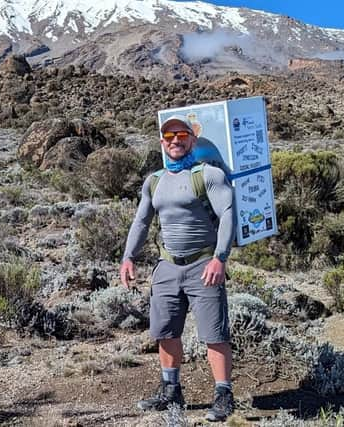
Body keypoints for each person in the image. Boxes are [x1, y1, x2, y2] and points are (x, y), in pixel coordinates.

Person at [119, 115, 236, 421]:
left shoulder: (208, 175)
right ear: (162, 143)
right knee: (166, 331)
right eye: (169, 137)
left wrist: (219, 258)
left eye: (181, 135)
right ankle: (171, 391)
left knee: (214, 334)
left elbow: (227, 213)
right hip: (167, 267)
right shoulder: (154, 181)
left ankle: (224, 395)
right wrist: (128, 256)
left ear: (192, 140)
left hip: (203, 264)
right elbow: (142, 221)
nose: (175, 141)